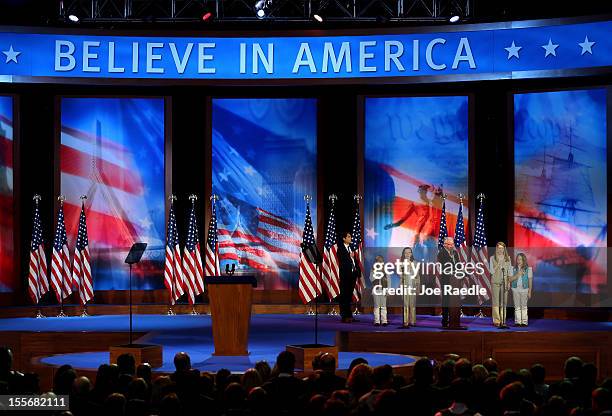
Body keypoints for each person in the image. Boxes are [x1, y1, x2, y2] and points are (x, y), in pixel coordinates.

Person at [437, 237, 464, 329]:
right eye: (449, 244)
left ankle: (454, 321)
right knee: (446, 300)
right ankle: (445, 321)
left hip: (454, 281)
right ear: (445, 244)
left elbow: (458, 264)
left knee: (454, 300)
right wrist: (453, 271)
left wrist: (461, 270)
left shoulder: (455, 253)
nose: (451, 246)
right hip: (446, 280)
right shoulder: (441, 253)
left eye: (452, 244)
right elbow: (444, 266)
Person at [337, 231, 361, 323]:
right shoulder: (341, 248)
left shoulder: (351, 248)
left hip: (352, 275)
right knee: (344, 296)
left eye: (350, 236)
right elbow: (342, 260)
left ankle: (349, 315)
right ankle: (344, 316)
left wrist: (357, 272)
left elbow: (354, 261)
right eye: (349, 236)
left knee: (349, 296)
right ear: (344, 238)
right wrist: (349, 255)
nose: (350, 238)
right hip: (345, 276)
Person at [490, 242, 513, 327]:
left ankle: (503, 320)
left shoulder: (508, 258)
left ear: (504, 249)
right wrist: (498, 264)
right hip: (495, 282)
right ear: (497, 249)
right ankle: (496, 320)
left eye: (502, 248)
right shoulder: (492, 258)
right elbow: (491, 271)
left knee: (504, 302)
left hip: (505, 282)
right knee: (496, 301)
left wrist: (509, 282)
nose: (500, 250)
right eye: (499, 248)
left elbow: (510, 271)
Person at [508, 253, 533, 327]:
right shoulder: (513, 268)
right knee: (517, 306)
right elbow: (509, 279)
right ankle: (518, 322)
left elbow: (530, 281)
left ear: (523, 260)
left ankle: (524, 322)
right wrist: (518, 274)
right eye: (517, 259)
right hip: (515, 289)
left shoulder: (528, 269)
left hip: (524, 290)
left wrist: (529, 291)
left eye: (520, 259)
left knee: (524, 306)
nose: (518, 261)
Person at [399, 247, 420, 327]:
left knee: (413, 305)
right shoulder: (401, 263)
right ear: (403, 254)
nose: (407, 254)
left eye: (409, 252)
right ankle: (405, 322)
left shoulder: (415, 263)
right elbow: (400, 275)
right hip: (404, 286)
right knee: (405, 305)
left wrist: (418, 287)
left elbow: (417, 276)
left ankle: (413, 321)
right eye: (406, 253)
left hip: (413, 286)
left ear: (411, 254)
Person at [369, 255, 389, 326]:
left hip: (383, 290)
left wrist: (388, 290)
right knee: (377, 306)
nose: (380, 262)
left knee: (383, 306)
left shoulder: (385, 270)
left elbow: (388, 281)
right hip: (376, 290)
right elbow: (371, 279)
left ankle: (384, 321)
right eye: (378, 261)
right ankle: (377, 321)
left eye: (381, 261)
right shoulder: (373, 270)